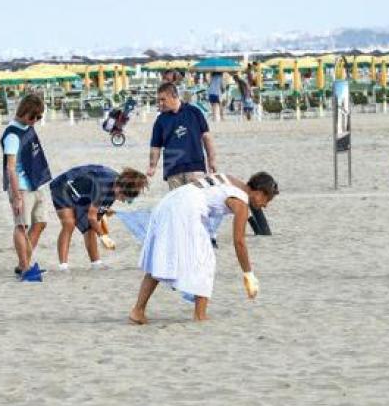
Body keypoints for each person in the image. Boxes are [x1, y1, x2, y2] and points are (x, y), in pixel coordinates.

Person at [129, 172, 279, 324]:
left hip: (170, 200)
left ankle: (138, 310)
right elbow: (239, 241)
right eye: (267, 199)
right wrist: (248, 274)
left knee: (162, 258)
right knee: (206, 261)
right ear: (259, 192)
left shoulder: (231, 179)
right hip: (186, 208)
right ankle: (200, 315)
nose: (265, 205)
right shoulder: (241, 203)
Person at [49, 165, 148, 271]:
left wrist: (105, 211)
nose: (124, 201)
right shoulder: (102, 186)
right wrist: (104, 237)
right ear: (118, 188)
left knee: (90, 227)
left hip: (83, 192)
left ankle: (96, 263)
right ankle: (63, 266)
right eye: (124, 198)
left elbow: (96, 217)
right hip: (62, 186)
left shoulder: (116, 185)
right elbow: (92, 217)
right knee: (69, 224)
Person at [2, 94, 51, 276]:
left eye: (39, 117)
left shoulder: (28, 126)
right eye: (33, 116)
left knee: (41, 223)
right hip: (22, 186)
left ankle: (24, 263)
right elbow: (10, 168)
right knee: (21, 226)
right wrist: (16, 197)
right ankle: (24, 267)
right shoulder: (12, 135)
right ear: (24, 111)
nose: (36, 120)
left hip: (36, 183)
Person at [147, 82, 218, 189]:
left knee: (196, 198)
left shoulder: (194, 112)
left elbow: (207, 137)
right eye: (158, 100)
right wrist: (152, 166)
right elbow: (155, 147)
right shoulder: (160, 120)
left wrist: (211, 160)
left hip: (195, 167)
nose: (160, 103)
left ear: (174, 96)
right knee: (177, 199)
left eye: (163, 99)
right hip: (173, 170)